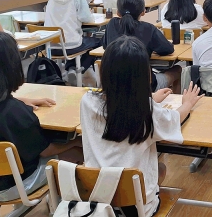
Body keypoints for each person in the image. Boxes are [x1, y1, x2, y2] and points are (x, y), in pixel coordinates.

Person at [80, 36, 202, 217]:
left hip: (97, 200)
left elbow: (116, 104)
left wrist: (151, 98)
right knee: (160, 169)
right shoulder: (147, 110)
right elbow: (175, 119)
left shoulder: (87, 101)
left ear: (104, 71)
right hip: (137, 208)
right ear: (144, 75)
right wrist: (187, 103)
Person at [0, 32, 82, 202]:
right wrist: (75, 141)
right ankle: (67, 204)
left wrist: (22, 99)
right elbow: (45, 149)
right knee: (76, 151)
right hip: (15, 186)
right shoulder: (14, 112)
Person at [103, 0, 178, 92]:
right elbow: (168, 49)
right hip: (144, 85)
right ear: (143, 11)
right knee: (177, 69)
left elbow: (105, 45)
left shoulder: (111, 24)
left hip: (114, 84)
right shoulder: (148, 28)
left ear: (118, 12)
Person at [45, 0, 100, 85]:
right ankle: (75, 69)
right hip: (71, 45)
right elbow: (86, 18)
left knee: (84, 41)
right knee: (98, 43)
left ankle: (70, 68)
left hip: (50, 45)